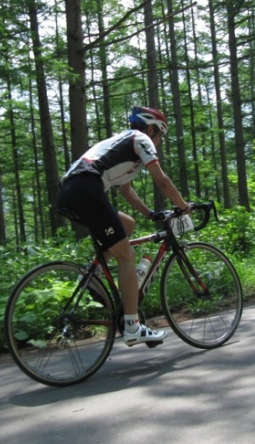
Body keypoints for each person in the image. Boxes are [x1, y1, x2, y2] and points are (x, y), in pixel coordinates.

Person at [57, 106, 190, 347]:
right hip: (87, 189)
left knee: (127, 224)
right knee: (127, 257)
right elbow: (162, 180)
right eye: (161, 135)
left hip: (72, 191)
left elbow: (127, 191)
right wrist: (183, 205)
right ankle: (132, 326)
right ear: (151, 129)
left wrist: (151, 214)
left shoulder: (123, 145)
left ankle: (92, 273)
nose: (159, 141)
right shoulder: (141, 138)